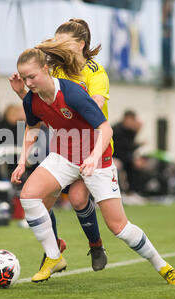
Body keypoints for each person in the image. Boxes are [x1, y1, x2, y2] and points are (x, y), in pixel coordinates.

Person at [11, 42, 175, 285]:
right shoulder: (31, 99)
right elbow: (32, 126)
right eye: (25, 78)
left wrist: (92, 157)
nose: (28, 83)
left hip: (97, 160)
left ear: (47, 69)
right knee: (29, 196)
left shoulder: (72, 93)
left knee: (119, 227)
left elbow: (106, 128)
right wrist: (22, 162)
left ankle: (163, 267)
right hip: (64, 157)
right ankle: (53, 256)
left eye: (32, 76)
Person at [9, 19, 109, 271]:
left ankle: (96, 245)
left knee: (77, 199)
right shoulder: (58, 71)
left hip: (91, 145)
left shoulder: (94, 71)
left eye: (62, 43)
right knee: (40, 201)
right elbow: (42, 108)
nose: (57, 47)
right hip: (63, 148)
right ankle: (53, 252)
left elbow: (91, 110)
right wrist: (24, 94)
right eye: (55, 42)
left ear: (81, 44)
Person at [112, 110, 143, 193]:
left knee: (138, 166)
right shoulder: (116, 129)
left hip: (125, 157)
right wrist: (132, 159)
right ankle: (120, 192)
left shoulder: (130, 131)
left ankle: (133, 191)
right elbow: (119, 149)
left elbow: (129, 147)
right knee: (123, 166)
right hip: (114, 156)